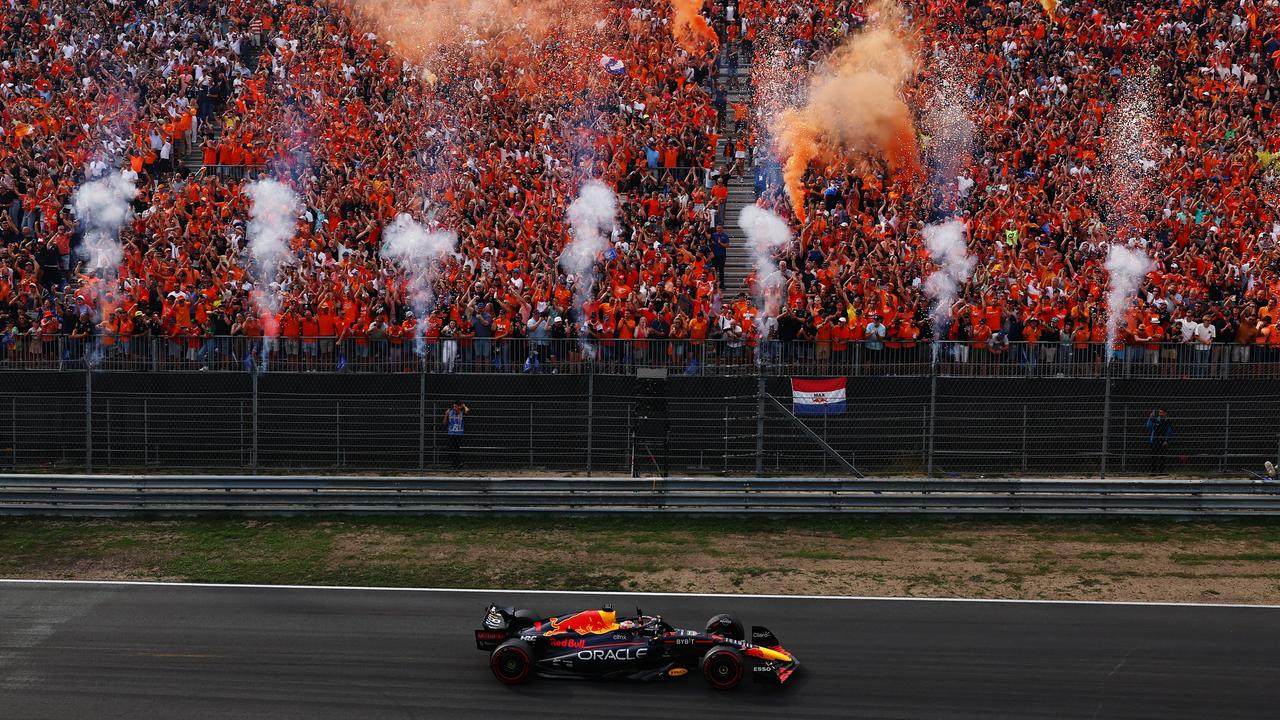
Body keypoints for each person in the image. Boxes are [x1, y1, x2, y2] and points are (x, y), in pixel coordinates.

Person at [1146, 408, 1173, 475]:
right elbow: (1148, 426)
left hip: (1163, 440)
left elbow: (1169, 432)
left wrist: (1166, 440)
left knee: (1162, 457)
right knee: (1154, 456)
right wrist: (1150, 418)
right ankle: (1153, 472)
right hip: (1155, 440)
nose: (1159, 413)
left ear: (1165, 413)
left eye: (1161, 412)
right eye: (1159, 412)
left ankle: (1161, 472)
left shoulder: (1167, 421)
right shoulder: (1155, 419)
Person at [444, 400, 469, 469]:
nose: (454, 408)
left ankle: (456, 464)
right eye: (453, 406)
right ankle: (456, 463)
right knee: (450, 449)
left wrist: (464, 406)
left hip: (459, 434)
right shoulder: (450, 412)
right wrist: (446, 415)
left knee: (456, 449)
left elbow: (467, 410)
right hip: (451, 433)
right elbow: (444, 423)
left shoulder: (462, 412)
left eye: (455, 406)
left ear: (459, 407)